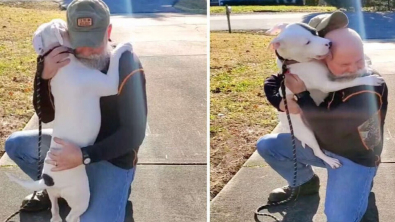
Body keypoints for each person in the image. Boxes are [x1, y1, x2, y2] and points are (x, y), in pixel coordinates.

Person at [4, 0, 147, 221]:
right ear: (67, 35)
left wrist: (85, 156)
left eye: (94, 41)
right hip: (71, 143)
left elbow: (134, 133)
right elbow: (46, 116)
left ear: (108, 31)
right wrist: (43, 76)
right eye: (80, 41)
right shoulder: (61, 60)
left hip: (110, 157)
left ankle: (116, 189)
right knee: (17, 145)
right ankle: (56, 186)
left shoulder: (126, 62)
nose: (87, 51)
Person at [257, 11, 388, 222]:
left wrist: (302, 95)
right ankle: (305, 183)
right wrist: (280, 101)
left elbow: (330, 129)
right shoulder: (316, 64)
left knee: (339, 217)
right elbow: (274, 79)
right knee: (267, 145)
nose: (353, 68)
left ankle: (360, 188)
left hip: (353, 157)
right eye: (344, 64)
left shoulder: (368, 87)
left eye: (358, 60)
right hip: (320, 146)